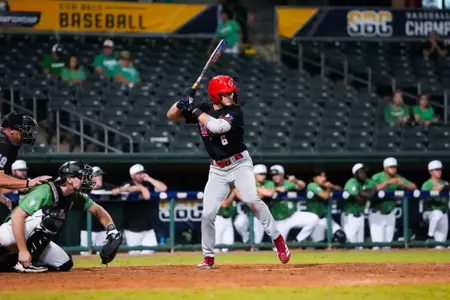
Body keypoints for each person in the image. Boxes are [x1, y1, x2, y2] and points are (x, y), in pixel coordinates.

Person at [167, 75, 290, 268]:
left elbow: (217, 127)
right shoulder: (204, 109)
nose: (231, 95)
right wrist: (181, 102)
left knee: (251, 199)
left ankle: (277, 239)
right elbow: (171, 116)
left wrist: (193, 108)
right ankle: (208, 257)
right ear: (216, 95)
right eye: (226, 93)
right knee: (207, 213)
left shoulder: (235, 111)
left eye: (232, 92)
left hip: (239, 163)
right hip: (217, 168)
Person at [0, 161, 122, 273]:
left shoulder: (74, 195)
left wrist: (112, 230)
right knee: (53, 215)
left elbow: (97, 210)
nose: (87, 180)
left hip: (29, 237)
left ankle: (7, 261)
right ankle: (24, 263)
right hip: (10, 232)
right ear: (69, 179)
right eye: (82, 177)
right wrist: (23, 250)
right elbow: (17, 217)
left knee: (64, 264)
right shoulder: (46, 190)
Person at [0, 111, 51, 216]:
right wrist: (28, 183)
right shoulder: (3, 144)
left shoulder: (9, 145)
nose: (26, 133)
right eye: (22, 130)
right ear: (10, 130)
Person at [113, 164, 167, 255]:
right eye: (139, 173)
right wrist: (141, 188)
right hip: (132, 229)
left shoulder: (148, 185)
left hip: (148, 228)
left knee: (149, 253)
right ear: (133, 176)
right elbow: (124, 189)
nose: (142, 175)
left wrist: (149, 178)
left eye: (143, 173)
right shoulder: (128, 184)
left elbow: (163, 188)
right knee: (134, 255)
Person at [369, 157, 417, 250]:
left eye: (395, 167)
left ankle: (386, 265)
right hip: (377, 214)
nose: (394, 169)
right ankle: (375, 265)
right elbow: (372, 190)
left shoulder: (398, 178)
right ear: (385, 168)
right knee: (377, 245)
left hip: (390, 214)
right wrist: (387, 182)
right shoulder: (377, 177)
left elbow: (414, 187)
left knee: (387, 246)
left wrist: (405, 185)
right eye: (392, 167)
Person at [269, 165, 318, 242]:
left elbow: (302, 186)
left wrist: (296, 180)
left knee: (313, 218)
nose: (275, 177)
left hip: (292, 215)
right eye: (273, 175)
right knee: (277, 248)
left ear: (282, 174)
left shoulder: (288, 183)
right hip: (279, 221)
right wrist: (276, 189)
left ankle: (298, 240)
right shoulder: (270, 184)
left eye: (277, 174)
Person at [79, 166, 117, 255]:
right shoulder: (84, 186)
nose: (99, 177)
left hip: (102, 228)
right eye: (97, 175)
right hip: (87, 228)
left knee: (103, 254)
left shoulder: (107, 186)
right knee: (85, 254)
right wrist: (94, 186)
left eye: (100, 175)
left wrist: (118, 190)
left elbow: (122, 189)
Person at [233, 164, 272, 245]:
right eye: (261, 174)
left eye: (264, 174)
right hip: (247, 212)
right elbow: (238, 193)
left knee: (257, 241)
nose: (263, 176)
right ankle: (246, 238)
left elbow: (268, 193)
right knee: (239, 223)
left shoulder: (268, 183)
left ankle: (253, 248)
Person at [306, 168, 347, 244]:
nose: (323, 178)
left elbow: (340, 189)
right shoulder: (312, 185)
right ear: (314, 178)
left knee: (341, 236)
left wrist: (331, 186)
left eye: (324, 176)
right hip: (316, 220)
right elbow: (325, 196)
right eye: (320, 176)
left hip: (326, 218)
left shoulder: (325, 185)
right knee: (320, 245)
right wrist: (328, 188)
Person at [342, 163, 374, 247]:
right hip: (350, 218)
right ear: (355, 174)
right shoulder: (351, 182)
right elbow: (359, 200)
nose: (364, 174)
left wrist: (361, 193)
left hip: (360, 216)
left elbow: (371, 193)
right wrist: (364, 193)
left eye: (364, 172)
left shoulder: (367, 181)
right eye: (361, 172)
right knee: (350, 246)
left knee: (360, 246)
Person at [421, 160, 449, 249]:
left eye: (440, 169)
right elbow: (426, 198)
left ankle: (434, 263)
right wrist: (438, 188)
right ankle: (430, 237)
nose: (439, 171)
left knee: (440, 245)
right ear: (431, 172)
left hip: (443, 214)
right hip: (429, 213)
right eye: (436, 169)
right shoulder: (426, 184)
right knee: (437, 213)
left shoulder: (445, 182)